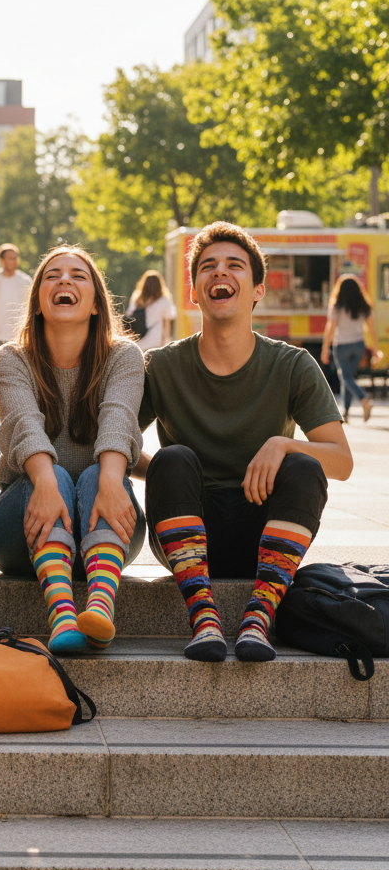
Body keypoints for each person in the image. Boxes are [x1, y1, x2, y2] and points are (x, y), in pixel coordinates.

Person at [137, 221, 353, 663]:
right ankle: (203, 617)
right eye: (208, 267)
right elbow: (115, 444)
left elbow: (342, 461)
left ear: (257, 289)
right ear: (194, 292)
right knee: (172, 457)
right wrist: (157, 470)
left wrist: (283, 444)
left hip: (266, 536)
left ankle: (259, 616)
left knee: (304, 466)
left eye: (235, 265)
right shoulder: (158, 367)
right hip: (186, 535)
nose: (221, 273)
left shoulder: (293, 365)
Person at [0, 246, 146, 654]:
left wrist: (111, 479)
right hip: (25, 527)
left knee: (99, 473)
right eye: (52, 275)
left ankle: (99, 607)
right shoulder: (12, 358)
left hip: (105, 526)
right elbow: (23, 428)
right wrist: (45, 483)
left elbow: (119, 419)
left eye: (78, 275)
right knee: (50, 474)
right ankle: (61, 615)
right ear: (38, 301)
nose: (64, 281)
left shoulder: (123, 356)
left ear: (95, 304)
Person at [321, 273, 383, 423]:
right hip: (358, 346)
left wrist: (325, 347)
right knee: (348, 378)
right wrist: (375, 349)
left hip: (341, 345)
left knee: (345, 377)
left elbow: (331, 328)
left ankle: (363, 399)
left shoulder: (337, 305)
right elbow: (371, 328)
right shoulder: (364, 306)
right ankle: (346, 413)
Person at [126, 268, 177, 352]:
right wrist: (166, 342)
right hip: (156, 342)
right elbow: (167, 323)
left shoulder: (137, 299)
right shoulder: (163, 300)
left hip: (139, 340)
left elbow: (129, 316)